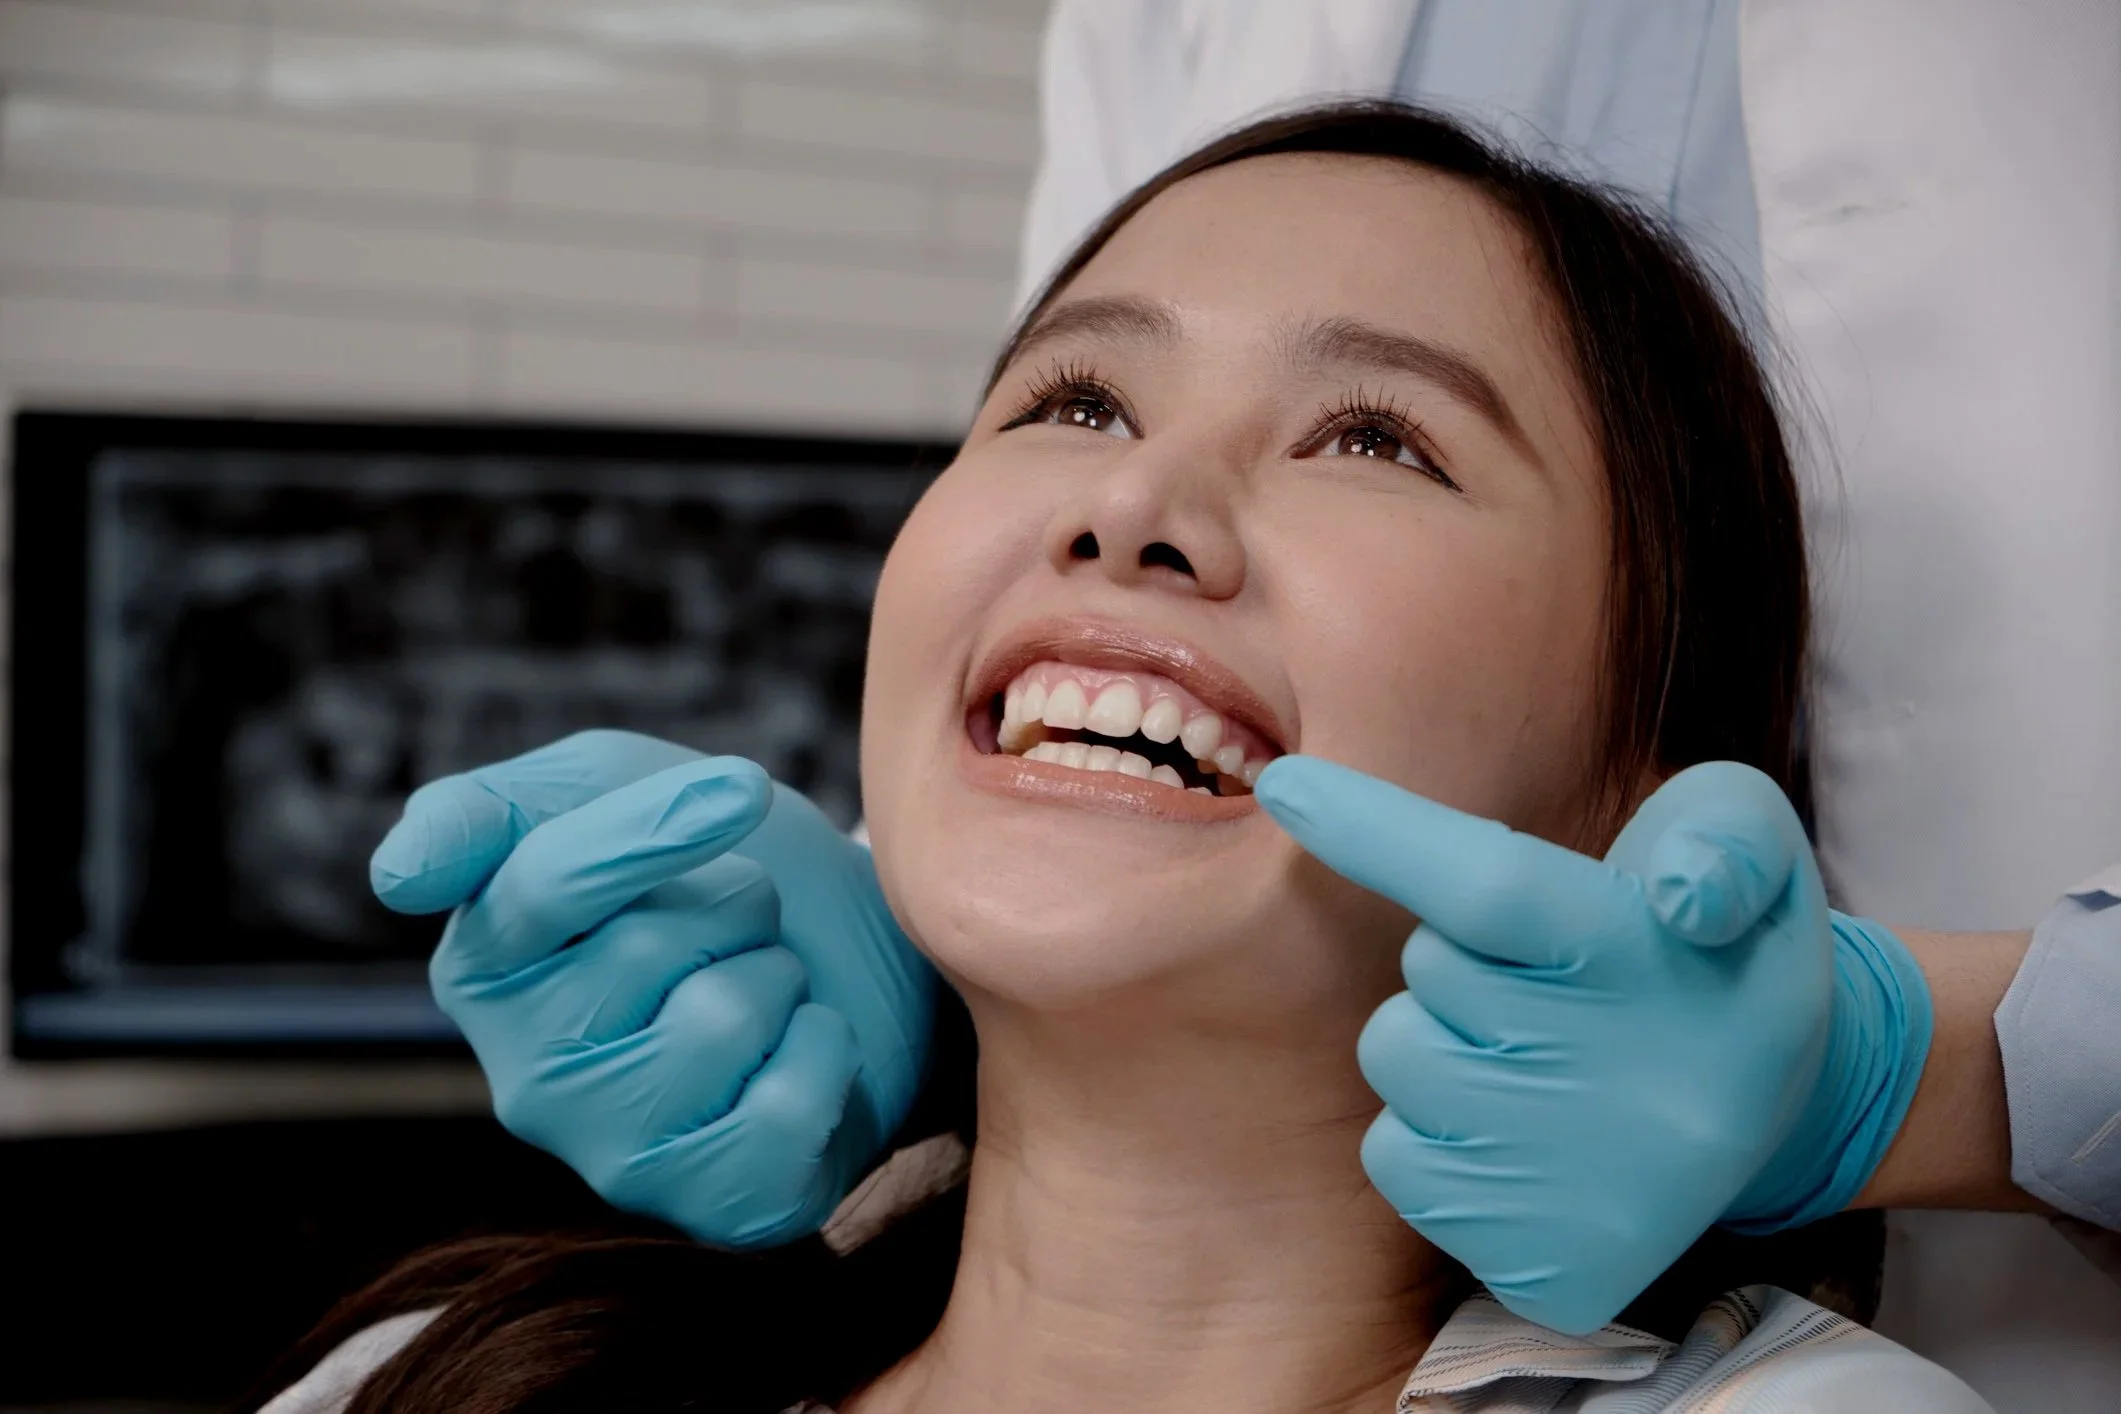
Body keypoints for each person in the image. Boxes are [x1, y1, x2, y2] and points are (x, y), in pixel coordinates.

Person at [276, 102, 1991, 1412]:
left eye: (1376, 436)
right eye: (1077, 401)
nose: (1133, 508)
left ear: (1640, 784)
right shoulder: (453, 1379)